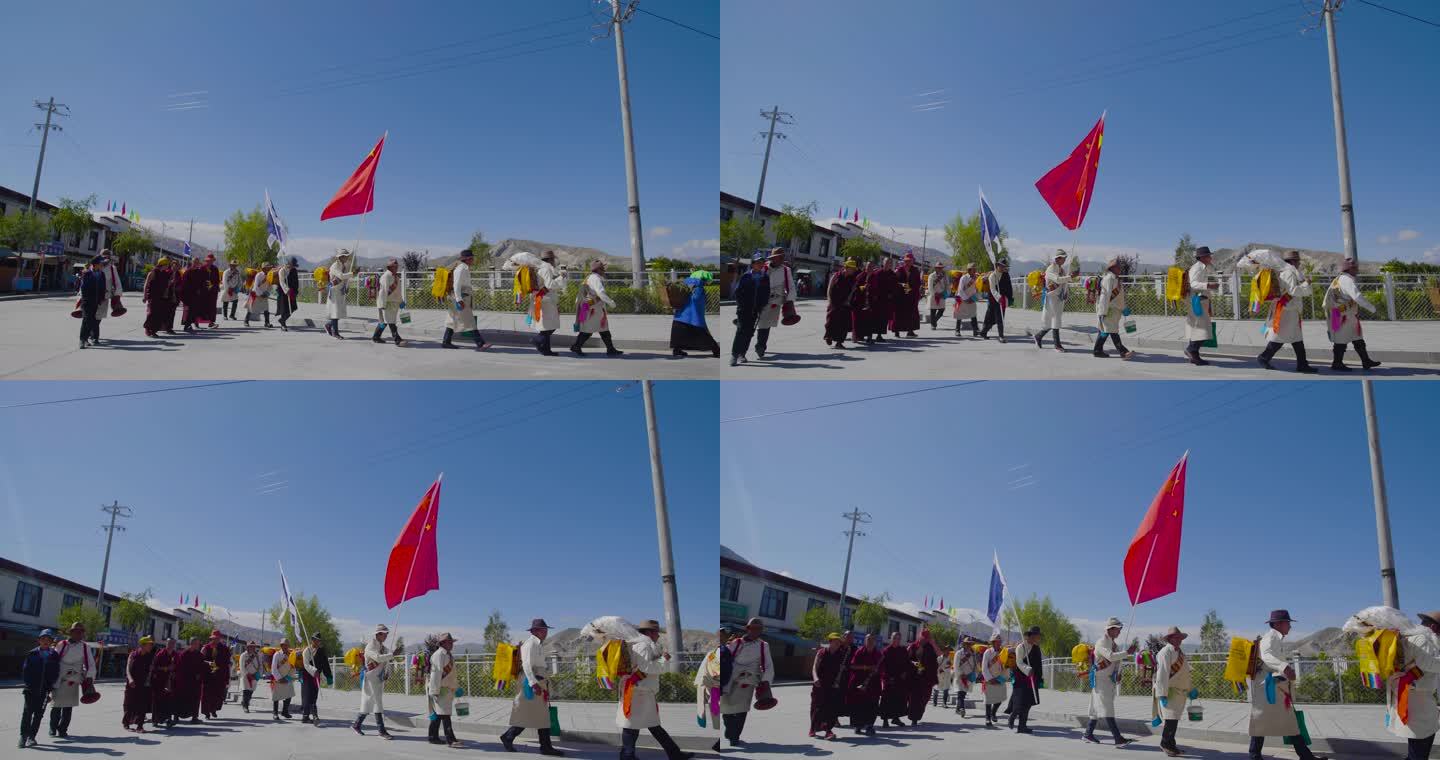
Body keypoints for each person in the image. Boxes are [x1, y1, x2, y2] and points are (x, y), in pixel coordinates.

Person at [1248, 610, 1327, 760]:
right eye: (1288, 623)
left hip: (1274, 686)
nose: (1290, 626)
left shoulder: (1275, 638)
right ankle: (1254, 755)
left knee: (1283, 721)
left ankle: (1304, 756)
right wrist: (1285, 667)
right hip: (1269, 687)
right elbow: (1267, 656)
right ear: (1278, 624)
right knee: (1264, 721)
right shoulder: (1270, 637)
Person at [617, 620, 692, 760]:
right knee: (637, 726)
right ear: (650, 633)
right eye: (657, 632)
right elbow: (647, 668)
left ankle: (628, 755)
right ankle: (628, 755)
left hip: (639, 691)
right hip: (639, 692)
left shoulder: (639, 644)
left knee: (638, 725)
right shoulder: (644, 645)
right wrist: (663, 660)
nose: (658, 635)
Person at [500, 618, 565, 756]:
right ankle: (510, 737)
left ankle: (544, 746)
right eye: (543, 629)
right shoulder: (530, 644)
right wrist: (533, 683)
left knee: (540, 715)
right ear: (535, 631)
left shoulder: (538, 644)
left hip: (539, 681)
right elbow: (527, 665)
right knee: (530, 714)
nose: (545, 632)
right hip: (532, 682)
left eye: (546, 629)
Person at [1257, 250, 1318, 373]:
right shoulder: (1290, 273)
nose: (1299, 263)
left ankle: (1302, 364)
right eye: (1298, 261)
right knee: (1281, 338)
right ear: (1293, 261)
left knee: (1296, 338)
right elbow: (1293, 291)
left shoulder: (1285, 272)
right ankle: (1264, 357)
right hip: (1287, 311)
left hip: (1288, 309)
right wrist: (1307, 284)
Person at [720, 617, 774, 747]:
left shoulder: (763, 645)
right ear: (747, 629)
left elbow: (768, 665)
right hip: (730, 678)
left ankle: (735, 736)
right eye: (753, 628)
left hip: (748, 678)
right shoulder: (735, 642)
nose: (755, 631)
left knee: (741, 709)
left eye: (759, 629)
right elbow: (724, 657)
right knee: (726, 707)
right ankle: (730, 731)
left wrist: (766, 681)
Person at [1394, 610, 1440, 760]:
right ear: (1434, 627)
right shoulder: (1423, 639)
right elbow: (1430, 663)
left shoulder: (1410, 638)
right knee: (1420, 747)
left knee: (1417, 745)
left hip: (1413, 696)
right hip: (1419, 700)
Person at [1084, 617, 1136, 746]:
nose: (1119, 632)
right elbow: (1111, 657)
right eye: (1118, 629)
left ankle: (1088, 734)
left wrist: (1118, 673)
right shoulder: (1101, 642)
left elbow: (1117, 662)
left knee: (1096, 708)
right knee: (1108, 708)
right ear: (1110, 629)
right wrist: (1127, 652)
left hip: (1108, 680)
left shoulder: (1114, 645)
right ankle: (1117, 738)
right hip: (1100, 680)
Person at [1324, 257, 1381, 371]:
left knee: (1356, 338)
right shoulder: (1347, 280)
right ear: (1349, 269)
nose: (1357, 270)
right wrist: (1372, 308)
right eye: (1355, 268)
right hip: (1341, 315)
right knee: (1341, 340)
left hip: (1339, 314)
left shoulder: (1340, 279)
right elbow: (1357, 297)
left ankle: (1365, 361)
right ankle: (1337, 363)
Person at [48, 622, 94, 738]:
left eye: (81, 632)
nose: (79, 634)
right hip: (59, 678)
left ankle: (63, 729)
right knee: (56, 706)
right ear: (71, 633)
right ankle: (53, 728)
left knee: (68, 707)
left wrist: (89, 677)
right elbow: (53, 660)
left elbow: (90, 664)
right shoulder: (62, 644)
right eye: (76, 632)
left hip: (73, 679)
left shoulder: (85, 647)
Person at [1154, 626, 1193, 757]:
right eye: (1176, 637)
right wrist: (1162, 694)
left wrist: (1190, 689)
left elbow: (1186, 672)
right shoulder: (1165, 652)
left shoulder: (1180, 653)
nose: (1178, 640)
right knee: (1170, 720)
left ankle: (1171, 744)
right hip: (1169, 691)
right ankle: (1165, 744)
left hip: (1180, 692)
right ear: (1170, 639)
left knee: (1174, 719)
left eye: (1180, 638)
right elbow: (1162, 674)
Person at [443, 248, 492, 350]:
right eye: (472, 258)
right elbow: (456, 285)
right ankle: (480, 343)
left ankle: (446, 342)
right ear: (468, 259)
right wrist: (459, 300)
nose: (473, 260)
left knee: (452, 320)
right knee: (469, 320)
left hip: (460, 296)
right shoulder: (461, 269)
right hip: (461, 297)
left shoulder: (464, 268)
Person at [18, 629, 59, 749]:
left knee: (38, 714)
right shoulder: (32, 653)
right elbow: (26, 671)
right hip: (31, 690)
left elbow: (55, 672)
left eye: (48, 640)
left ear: (51, 642)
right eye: (43, 639)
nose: (46, 641)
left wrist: (50, 687)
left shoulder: (54, 655)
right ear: (39, 640)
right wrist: (29, 685)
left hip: (45, 691)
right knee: (27, 713)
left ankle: (32, 737)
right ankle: (23, 736)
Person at [571, 259, 621, 357]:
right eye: (603, 268)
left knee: (603, 330)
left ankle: (610, 349)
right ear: (598, 270)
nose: (604, 271)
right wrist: (611, 303)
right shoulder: (596, 278)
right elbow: (601, 293)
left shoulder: (590, 277)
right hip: (591, 309)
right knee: (587, 331)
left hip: (589, 308)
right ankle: (576, 346)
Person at [754, 248, 797, 358]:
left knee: (766, 324)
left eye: (782, 257)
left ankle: (761, 346)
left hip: (775, 300)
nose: (781, 259)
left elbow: (791, 286)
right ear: (773, 258)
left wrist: (790, 300)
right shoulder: (764, 267)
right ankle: (757, 345)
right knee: (760, 323)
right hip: (760, 299)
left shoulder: (786, 270)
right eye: (778, 257)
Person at [693, 628, 731, 753]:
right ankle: (719, 743)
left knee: (715, 709)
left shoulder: (718, 651)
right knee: (716, 710)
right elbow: (723, 671)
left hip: (711, 684)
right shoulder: (718, 651)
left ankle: (718, 743)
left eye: (722, 636)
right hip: (713, 685)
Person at [353, 625, 393, 738]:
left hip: (378, 679)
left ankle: (357, 724)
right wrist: (391, 654)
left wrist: (387, 673)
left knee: (371, 703)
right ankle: (381, 731)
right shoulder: (370, 646)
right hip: (370, 678)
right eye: (384, 633)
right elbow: (379, 658)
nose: (386, 636)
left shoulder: (384, 648)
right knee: (376, 703)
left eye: (386, 634)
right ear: (378, 634)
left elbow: (386, 662)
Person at [670, 270, 721, 358]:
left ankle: (677, 350)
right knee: (703, 334)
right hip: (693, 317)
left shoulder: (683, 285)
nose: (706, 283)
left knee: (679, 335)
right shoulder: (699, 287)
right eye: (706, 280)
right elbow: (697, 301)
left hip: (679, 316)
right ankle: (716, 350)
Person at [1094, 257, 1136, 359]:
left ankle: (1097, 351)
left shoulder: (1116, 279)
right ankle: (1123, 352)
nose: (1120, 269)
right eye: (1118, 267)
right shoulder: (1109, 279)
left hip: (1114, 310)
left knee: (1106, 331)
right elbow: (1105, 296)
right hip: (1108, 310)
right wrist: (1102, 312)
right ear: (1113, 268)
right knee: (1112, 331)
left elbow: (1119, 297)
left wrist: (1124, 307)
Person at [730, 257, 769, 365]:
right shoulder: (746, 276)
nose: (760, 265)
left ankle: (742, 354)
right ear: (752, 264)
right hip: (744, 309)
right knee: (740, 331)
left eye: (762, 263)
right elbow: (738, 292)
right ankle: (734, 355)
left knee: (749, 333)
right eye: (758, 263)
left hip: (756, 310)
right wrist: (741, 305)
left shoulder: (765, 277)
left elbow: (766, 293)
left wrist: (762, 305)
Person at [1184, 246, 1219, 366]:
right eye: (1209, 255)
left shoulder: (1203, 267)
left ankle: (1194, 354)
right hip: (1197, 301)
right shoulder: (1197, 268)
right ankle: (1191, 350)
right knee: (1202, 328)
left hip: (1200, 300)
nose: (1211, 257)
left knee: (1198, 326)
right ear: (1203, 257)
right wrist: (1209, 285)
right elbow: (1193, 284)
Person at [427, 632, 462, 747]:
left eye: (452, 642)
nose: (452, 644)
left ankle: (433, 737)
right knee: (445, 715)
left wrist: (456, 687)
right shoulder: (439, 655)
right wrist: (434, 691)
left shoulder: (447, 654)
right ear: (443, 643)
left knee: (438, 714)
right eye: (450, 642)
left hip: (446, 688)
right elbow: (435, 674)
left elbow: (452, 674)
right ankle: (451, 740)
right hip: (440, 688)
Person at [809, 633, 846, 740]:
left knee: (831, 708)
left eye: (839, 642)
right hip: (819, 683)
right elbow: (814, 667)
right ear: (830, 642)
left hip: (833, 684)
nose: (838, 643)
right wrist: (815, 678)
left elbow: (842, 669)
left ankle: (828, 730)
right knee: (817, 707)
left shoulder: (841, 654)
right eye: (835, 641)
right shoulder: (822, 652)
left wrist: (839, 679)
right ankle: (813, 728)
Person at [1007, 626, 1043, 734]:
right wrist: (1028, 669)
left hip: (1033, 678)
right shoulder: (1020, 647)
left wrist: (1039, 677)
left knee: (1028, 703)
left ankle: (1022, 726)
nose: (1037, 638)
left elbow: (1039, 664)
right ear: (1030, 636)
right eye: (1036, 635)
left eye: (1038, 636)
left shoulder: (1036, 648)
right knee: (1020, 702)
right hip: (1021, 678)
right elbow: (1019, 662)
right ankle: (1013, 715)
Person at [1035, 250, 1072, 351]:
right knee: (1055, 319)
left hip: (1058, 297)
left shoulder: (1061, 269)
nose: (1064, 260)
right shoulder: (1051, 268)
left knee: (1052, 320)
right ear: (1058, 258)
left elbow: (1064, 283)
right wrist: (1069, 277)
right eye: (1063, 258)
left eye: (1065, 258)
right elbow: (1058, 280)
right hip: (1052, 297)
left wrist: (1066, 293)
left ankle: (1038, 336)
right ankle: (1057, 345)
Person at [846, 633, 882, 736]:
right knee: (858, 705)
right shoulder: (859, 652)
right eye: (868, 640)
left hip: (873, 684)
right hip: (859, 682)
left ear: (875, 642)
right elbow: (852, 666)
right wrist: (867, 668)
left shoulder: (878, 654)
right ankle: (858, 725)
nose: (870, 642)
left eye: (872, 640)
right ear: (865, 641)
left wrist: (877, 670)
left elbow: (882, 668)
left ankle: (869, 726)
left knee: (872, 705)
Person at [906, 627, 942, 725]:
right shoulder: (913, 646)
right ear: (919, 636)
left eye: (927, 638)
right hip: (915, 676)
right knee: (913, 698)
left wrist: (933, 642)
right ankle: (914, 718)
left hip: (927, 677)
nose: (924, 639)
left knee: (925, 698)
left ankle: (917, 715)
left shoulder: (930, 647)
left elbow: (940, 654)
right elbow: (906, 658)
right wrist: (914, 663)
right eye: (923, 637)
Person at [531, 250, 564, 356]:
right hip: (546, 299)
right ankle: (537, 340)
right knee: (551, 325)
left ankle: (546, 349)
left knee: (547, 325)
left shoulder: (542, 268)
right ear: (550, 259)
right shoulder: (546, 269)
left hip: (542, 298)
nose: (554, 261)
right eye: (553, 259)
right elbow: (549, 285)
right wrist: (560, 278)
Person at [122, 636, 156, 733]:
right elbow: (128, 668)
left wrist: (148, 680)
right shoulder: (133, 654)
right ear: (143, 645)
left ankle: (140, 726)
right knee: (130, 704)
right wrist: (130, 679)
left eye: (151, 644)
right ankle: (126, 724)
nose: (151, 646)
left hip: (143, 683)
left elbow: (150, 669)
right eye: (149, 644)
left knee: (142, 705)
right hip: (132, 683)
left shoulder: (150, 656)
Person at [877, 632, 910, 728]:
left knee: (899, 699)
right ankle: (885, 720)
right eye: (895, 638)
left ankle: (896, 718)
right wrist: (887, 677)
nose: (897, 640)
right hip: (889, 679)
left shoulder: (903, 650)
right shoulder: (886, 651)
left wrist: (905, 672)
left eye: (899, 638)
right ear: (891, 639)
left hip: (900, 679)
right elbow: (882, 666)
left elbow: (907, 663)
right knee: (887, 699)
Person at [824, 259, 859, 349]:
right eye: (852, 268)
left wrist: (848, 300)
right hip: (834, 301)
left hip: (845, 302)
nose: (853, 271)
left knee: (844, 323)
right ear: (846, 268)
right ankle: (829, 336)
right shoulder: (836, 275)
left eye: (854, 269)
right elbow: (830, 287)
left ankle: (839, 342)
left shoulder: (853, 279)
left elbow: (852, 290)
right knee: (831, 320)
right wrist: (829, 300)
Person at [171, 637, 206, 724]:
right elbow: (179, 666)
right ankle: (176, 716)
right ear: (191, 644)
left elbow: (202, 667)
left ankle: (194, 717)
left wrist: (200, 674)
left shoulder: (200, 655)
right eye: (196, 644)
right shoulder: (183, 654)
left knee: (195, 699)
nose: (198, 646)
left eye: (198, 644)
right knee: (180, 698)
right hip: (184, 680)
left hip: (195, 681)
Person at [300, 632, 332, 725]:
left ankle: (314, 715)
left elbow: (325, 664)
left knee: (314, 695)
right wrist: (314, 670)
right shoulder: (307, 650)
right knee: (306, 695)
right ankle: (306, 716)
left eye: (319, 640)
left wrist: (328, 676)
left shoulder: (321, 651)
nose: (317, 642)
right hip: (307, 675)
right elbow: (306, 664)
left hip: (316, 676)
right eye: (316, 640)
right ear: (312, 640)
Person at [142, 258, 179, 337]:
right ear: (163, 264)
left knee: (158, 314)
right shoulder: (153, 272)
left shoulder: (164, 273)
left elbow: (166, 284)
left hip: (161, 296)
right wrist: (144, 296)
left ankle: (153, 330)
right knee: (151, 313)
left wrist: (170, 282)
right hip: (153, 296)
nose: (168, 266)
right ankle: (148, 329)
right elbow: (146, 284)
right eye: (167, 265)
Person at [77, 256, 108, 349]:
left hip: (96, 301)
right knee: (86, 320)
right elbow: (84, 288)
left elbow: (103, 287)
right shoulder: (87, 273)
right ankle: (82, 340)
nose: (103, 265)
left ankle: (86, 339)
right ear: (96, 264)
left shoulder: (102, 274)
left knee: (92, 321)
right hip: (87, 301)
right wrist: (86, 299)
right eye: (101, 263)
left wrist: (102, 298)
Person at [372, 259, 405, 345]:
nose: (396, 268)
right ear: (390, 267)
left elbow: (398, 291)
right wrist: (382, 304)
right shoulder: (386, 276)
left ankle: (376, 337)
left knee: (385, 322)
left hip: (395, 303)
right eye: (394, 266)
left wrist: (401, 301)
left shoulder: (396, 277)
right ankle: (397, 340)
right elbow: (383, 291)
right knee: (391, 322)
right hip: (388, 302)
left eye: (397, 266)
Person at [891, 253, 924, 337]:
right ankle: (896, 331)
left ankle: (910, 331)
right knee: (899, 313)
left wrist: (914, 289)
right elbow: (894, 282)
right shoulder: (899, 270)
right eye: (906, 261)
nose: (908, 262)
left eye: (910, 261)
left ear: (913, 261)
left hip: (911, 295)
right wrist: (902, 285)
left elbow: (918, 283)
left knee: (911, 313)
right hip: (900, 295)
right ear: (904, 261)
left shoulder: (915, 270)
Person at [200, 630, 230, 720]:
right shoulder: (205, 648)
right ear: (211, 638)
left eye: (217, 638)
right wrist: (208, 662)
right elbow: (200, 660)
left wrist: (226, 676)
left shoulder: (224, 648)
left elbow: (227, 662)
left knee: (217, 694)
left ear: (220, 638)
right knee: (207, 694)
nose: (215, 640)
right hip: (208, 675)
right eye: (214, 638)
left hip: (219, 675)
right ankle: (206, 713)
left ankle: (213, 710)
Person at [979, 260, 1012, 342]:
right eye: (1001, 266)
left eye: (1004, 266)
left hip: (1002, 299)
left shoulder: (1006, 275)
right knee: (990, 317)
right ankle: (985, 332)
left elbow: (1009, 287)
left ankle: (1000, 336)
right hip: (994, 299)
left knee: (1000, 317)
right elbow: (992, 289)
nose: (1002, 267)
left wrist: (1009, 297)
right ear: (997, 266)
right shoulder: (992, 276)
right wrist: (998, 297)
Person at [149, 639, 178, 729]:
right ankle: (155, 720)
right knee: (157, 701)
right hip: (159, 681)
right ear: (166, 644)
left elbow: (178, 666)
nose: (171, 645)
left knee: (169, 701)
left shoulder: (175, 654)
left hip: (170, 681)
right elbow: (154, 667)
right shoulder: (160, 653)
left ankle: (168, 719)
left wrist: (174, 671)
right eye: (169, 643)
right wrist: (166, 668)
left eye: (173, 643)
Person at [980, 634, 1007, 728]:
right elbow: (984, 667)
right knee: (988, 700)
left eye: (1000, 641)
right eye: (997, 641)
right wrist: (990, 679)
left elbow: (1006, 666)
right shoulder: (988, 652)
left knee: (999, 699)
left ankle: (993, 713)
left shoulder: (1003, 652)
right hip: (989, 679)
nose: (999, 643)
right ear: (993, 642)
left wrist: (1003, 678)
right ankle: (987, 718)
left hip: (1000, 678)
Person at [325, 250, 354, 338]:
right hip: (334, 291)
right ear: (340, 257)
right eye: (345, 256)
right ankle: (335, 332)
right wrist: (352, 274)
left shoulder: (342, 265)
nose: (347, 258)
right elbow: (341, 276)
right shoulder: (335, 265)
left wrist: (346, 286)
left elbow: (344, 279)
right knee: (335, 312)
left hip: (340, 290)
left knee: (338, 312)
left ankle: (329, 325)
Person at [871, 258, 898, 343]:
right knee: (875, 318)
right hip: (878, 299)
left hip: (887, 300)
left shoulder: (892, 274)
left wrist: (892, 294)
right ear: (883, 263)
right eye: (886, 262)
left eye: (890, 263)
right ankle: (870, 335)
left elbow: (895, 286)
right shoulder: (877, 273)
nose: (888, 264)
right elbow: (873, 285)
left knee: (884, 319)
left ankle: (879, 335)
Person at [952, 637, 979, 717]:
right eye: (967, 643)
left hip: (969, 676)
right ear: (964, 644)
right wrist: (961, 674)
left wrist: (975, 675)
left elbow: (975, 665)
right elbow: (956, 665)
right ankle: (962, 709)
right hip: (960, 676)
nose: (969, 645)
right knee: (960, 693)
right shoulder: (959, 653)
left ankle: (957, 709)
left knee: (963, 694)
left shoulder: (973, 654)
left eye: (970, 644)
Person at [269, 639, 295, 721]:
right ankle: (275, 713)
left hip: (287, 678)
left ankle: (285, 711)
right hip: (278, 678)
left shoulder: (290, 655)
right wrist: (279, 678)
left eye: (287, 645)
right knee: (276, 696)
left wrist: (289, 677)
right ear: (281, 646)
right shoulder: (277, 654)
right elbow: (273, 668)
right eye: (284, 645)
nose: (286, 646)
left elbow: (292, 667)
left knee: (289, 694)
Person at [954, 264, 980, 337]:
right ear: (969, 270)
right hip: (962, 298)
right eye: (973, 269)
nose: (975, 270)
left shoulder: (976, 278)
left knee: (973, 314)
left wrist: (975, 298)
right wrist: (966, 299)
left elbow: (977, 289)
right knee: (960, 314)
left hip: (972, 298)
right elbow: (960, 290)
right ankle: (957, 330)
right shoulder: (964, 278)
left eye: (975, 269)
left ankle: (975, 330)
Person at [245, 263, 272, 328]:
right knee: (251, 308)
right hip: (256, 293)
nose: (268, 269)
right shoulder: (258, 275)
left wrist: (267, 293)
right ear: (263, 269)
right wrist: (260, 294)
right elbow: (256, 286)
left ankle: (267, 323)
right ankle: (246, 321)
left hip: (264, 294)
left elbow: (270, 285)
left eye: (269, 268)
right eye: (267, 268)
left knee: (266, 309)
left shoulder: (270, 275)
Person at [238, 642, 262, 713]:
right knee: (246, 690)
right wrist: (247, 674)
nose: (252, 648)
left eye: (253, 646)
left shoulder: (257, 655)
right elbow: (241, 666)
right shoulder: (243, 655)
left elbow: (260, 665)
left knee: (251, 691)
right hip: (246, 675)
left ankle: (245, 702)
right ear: (247, 647)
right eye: (251, 646)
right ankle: (246, 706)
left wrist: (259, 674)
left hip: (254, 675)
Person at [274, 256, 296, 331]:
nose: (292, 266)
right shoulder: (282, 271)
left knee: (292, 308)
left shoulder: (293, 270)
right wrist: (286, 290)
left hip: (292, 291)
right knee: (284, 309)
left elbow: (296, 281)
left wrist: (295, 290)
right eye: (292, 264)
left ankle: (281, 320)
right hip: (283, 292)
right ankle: (283, 324)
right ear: (288, 263)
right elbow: (281, 282)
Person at [925, 261, 949, 330]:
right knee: (933, 310)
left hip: (941, 294)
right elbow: (930, 286)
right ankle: (933, 325)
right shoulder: (932, 275)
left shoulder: (944, 276)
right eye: (938, 268)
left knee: (942, 310)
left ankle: (934, 321)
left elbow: (947, 285)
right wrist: (934, 294)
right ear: (935, 268)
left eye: (941, 268)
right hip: (933, 295)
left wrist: (946, 293)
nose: (939, 269)